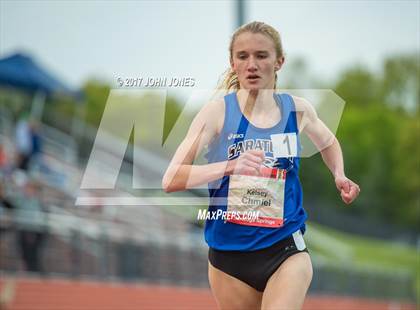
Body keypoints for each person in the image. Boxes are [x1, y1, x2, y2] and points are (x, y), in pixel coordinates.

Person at [162, 21, 360, 310]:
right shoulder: (216, 114)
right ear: (232, 63)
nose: (252, 64)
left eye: (261, 56)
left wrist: (339, 174)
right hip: (229, 258)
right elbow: (171, 179)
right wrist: (230, 166)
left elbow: (328, 141)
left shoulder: (298, 109)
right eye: (243, 57)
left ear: (279, 61)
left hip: (285, 248)